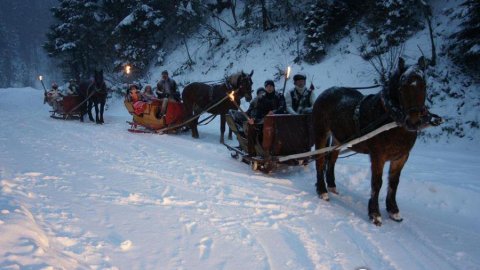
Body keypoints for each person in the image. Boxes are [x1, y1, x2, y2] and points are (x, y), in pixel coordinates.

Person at [246, 80, 286, 155]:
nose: (269, 88)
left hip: (278, 121)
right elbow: (259, 111)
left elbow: (283, 108)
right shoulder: (262, 98)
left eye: (271, 86)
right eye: (267, 87)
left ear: (273, 87)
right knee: (251, 127)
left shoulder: (279, 96)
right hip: (265, 121)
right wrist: (254, 119)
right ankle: (252, 151)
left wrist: (274, 112)